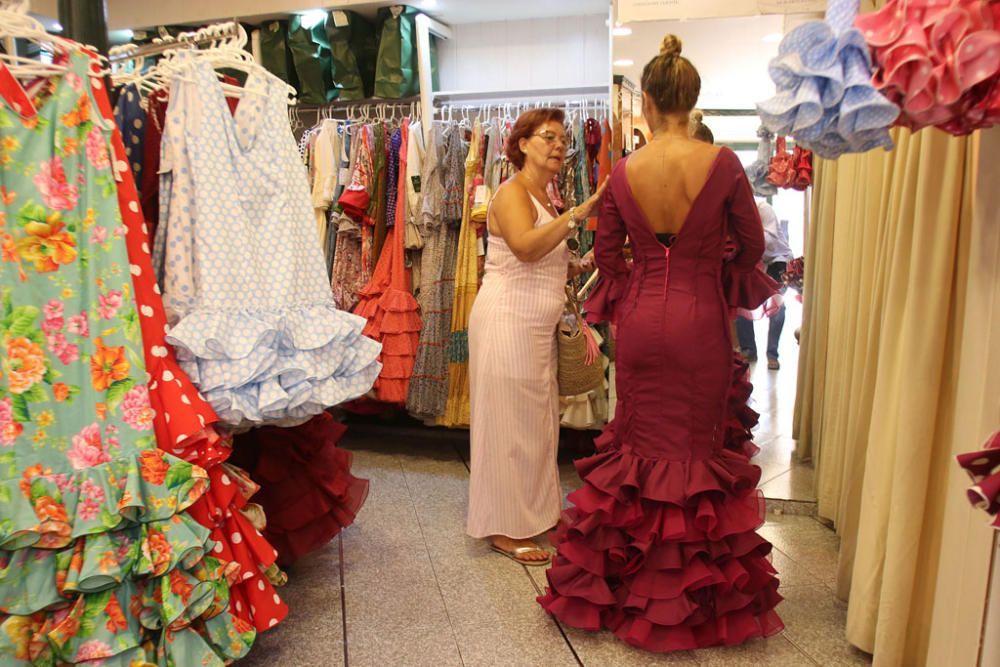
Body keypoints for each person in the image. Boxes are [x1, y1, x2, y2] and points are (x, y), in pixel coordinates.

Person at [538, 35, 783, 650]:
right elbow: (754, 248)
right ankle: (694, 598)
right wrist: (712, 271)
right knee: (697, 451)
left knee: (639, 445)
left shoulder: (625, 171)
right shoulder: (724, 164)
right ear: (693, 101)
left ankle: (627, 588)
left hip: (642, 321)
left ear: (645, 102)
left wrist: (641, 281)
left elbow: (604, 255)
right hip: (702, 321)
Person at [466, 108, 605, 565]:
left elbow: (544, 253)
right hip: (507, 321)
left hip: (534, 326)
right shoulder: (510, 193)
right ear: (522, 143)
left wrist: (577, 263)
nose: (559, 144)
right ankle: (506, 528)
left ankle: (539, 515)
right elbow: (525, 249)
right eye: (548, 136)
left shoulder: (545, 195)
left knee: (537, 423)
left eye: (563, 138)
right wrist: (583, 213)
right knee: (509, 425)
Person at [736, 199, 793, 369]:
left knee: (778, 307)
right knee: (740, 303)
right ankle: (748, 349)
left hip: (777, 260)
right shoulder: (734, 214)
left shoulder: (763, 208)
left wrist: (742, 236)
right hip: (753, 261)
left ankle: (772, 354)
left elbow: (768, 240)